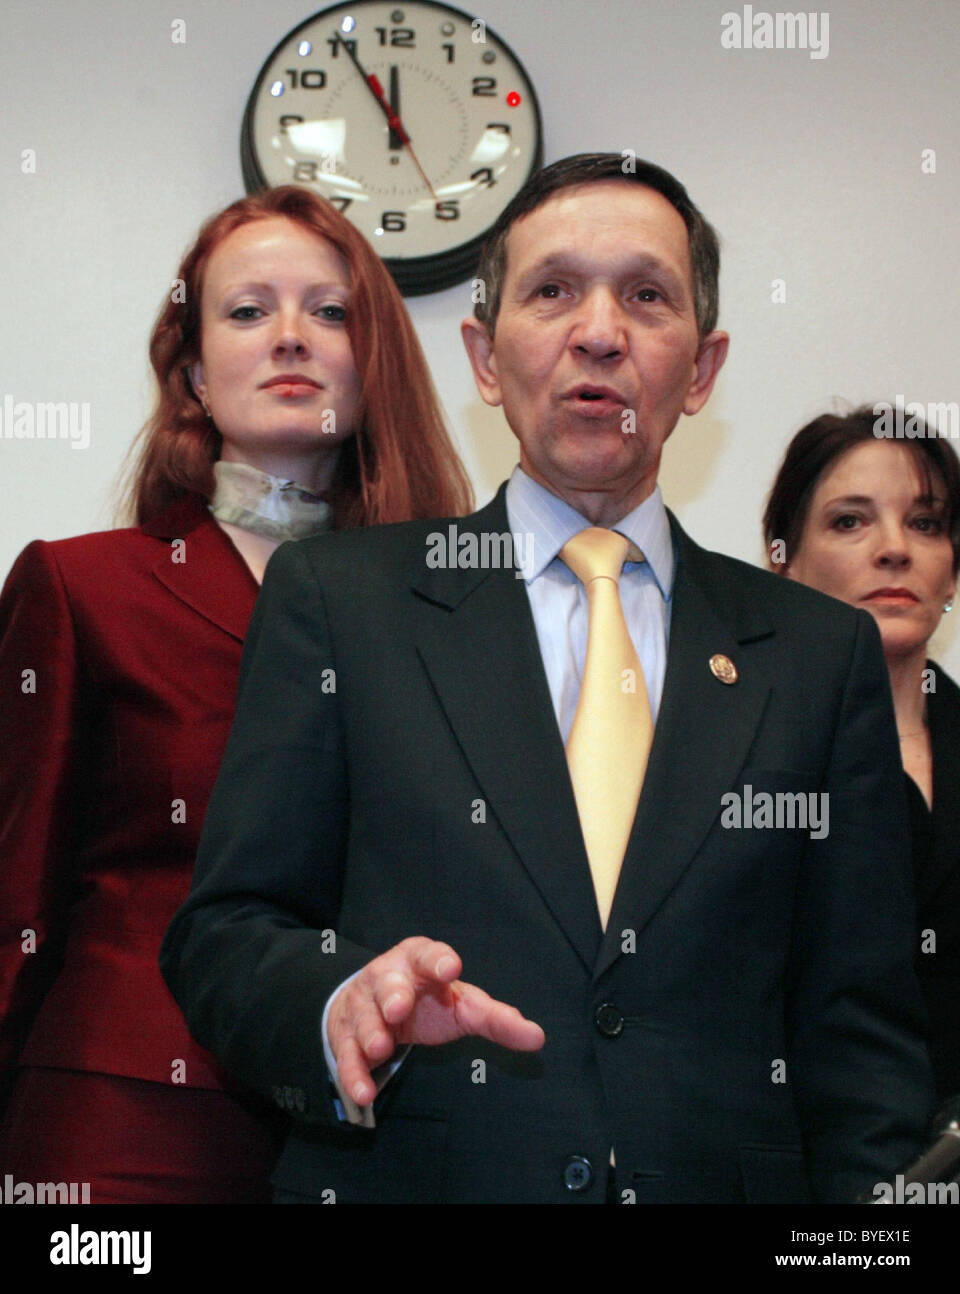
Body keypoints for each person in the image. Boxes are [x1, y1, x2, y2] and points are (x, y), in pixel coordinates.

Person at [161, 154, 932, 1205]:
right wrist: (340, 998)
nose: (601, 330)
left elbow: (860, 1037)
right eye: (553, 290)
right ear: (484, 356)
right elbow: (227, 932)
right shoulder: (344, 602)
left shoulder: (816, 653)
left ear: (702, 370)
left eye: (647, 296)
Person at [0, 185, 472, 1203]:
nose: (292, 337)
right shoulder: (81, 587)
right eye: (248, 311)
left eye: (331, 311)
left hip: (387, 1130)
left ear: (374, 359)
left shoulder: (464, 612)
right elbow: (14, 905)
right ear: (194, 375)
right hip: (126, 1124)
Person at [764, 407, 960, 1102]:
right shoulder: (735, 758)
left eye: (926, 523)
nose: (894, 549)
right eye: (850, 521)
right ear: (782, 562)